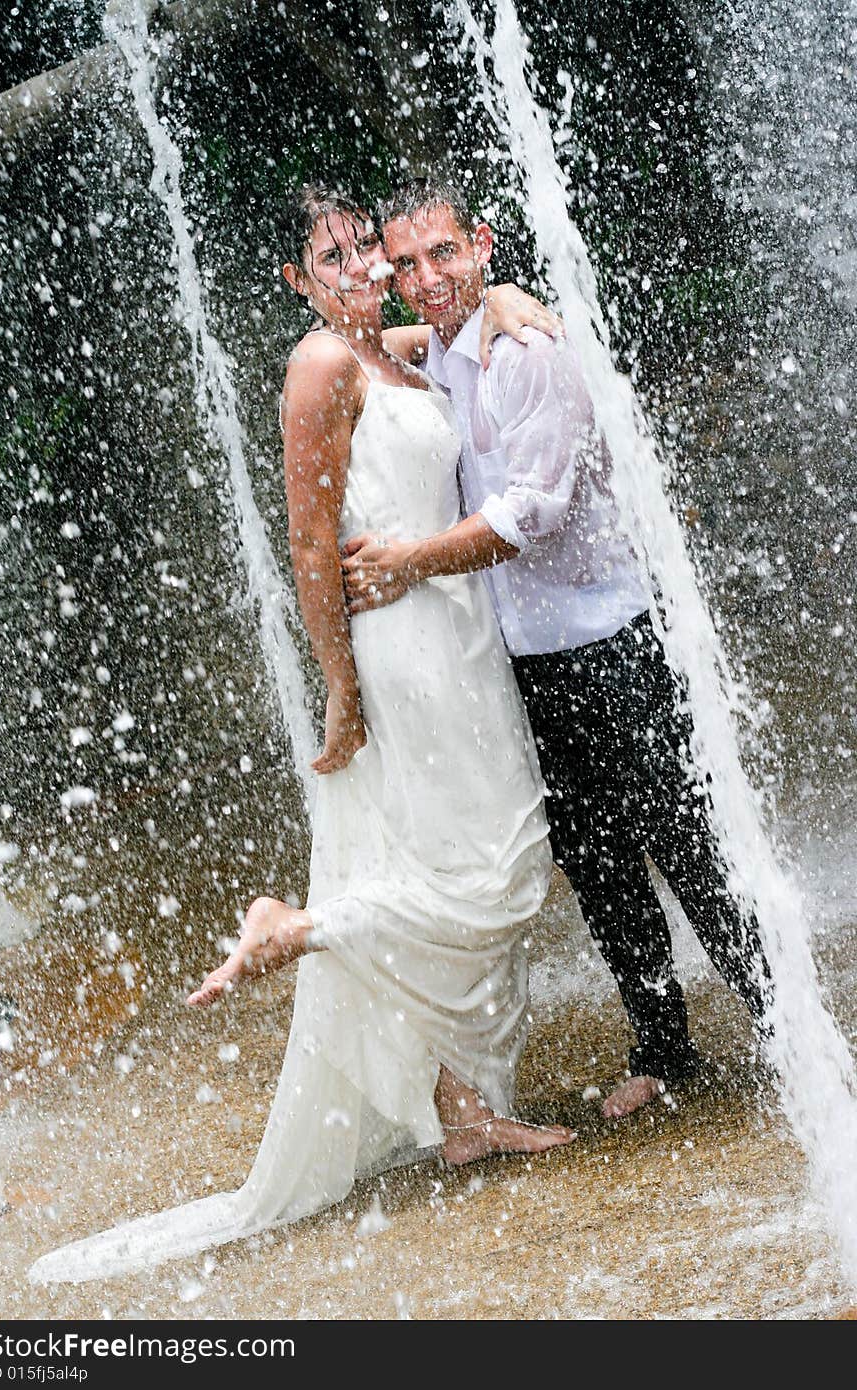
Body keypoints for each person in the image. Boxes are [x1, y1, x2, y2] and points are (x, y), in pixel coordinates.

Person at [28, 188, 574, 1285]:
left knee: (468, 855)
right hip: (404, 654)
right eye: (333, 255)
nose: (363, 263)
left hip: (463, 632)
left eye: (366, 243)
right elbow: (310, 542)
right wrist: (338, 685)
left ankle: (460, 1109)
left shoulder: (398, 351)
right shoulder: (322, 367)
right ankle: (298, 921)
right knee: (499, 874)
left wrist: (506, 290)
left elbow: (456, 320)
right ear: (298, 279)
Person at [343, 179, 772, 1119]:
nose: (427, 277)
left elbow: (529, 514)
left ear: (483, 244)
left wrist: (413, 559)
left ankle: (788, 1034)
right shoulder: (454, 346)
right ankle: (664, 1047)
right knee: (600, 858)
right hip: (530, 667)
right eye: (406, 263)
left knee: (685, 844)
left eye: (444, 254)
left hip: (611, 645)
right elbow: (381, 346)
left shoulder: (525, 350)